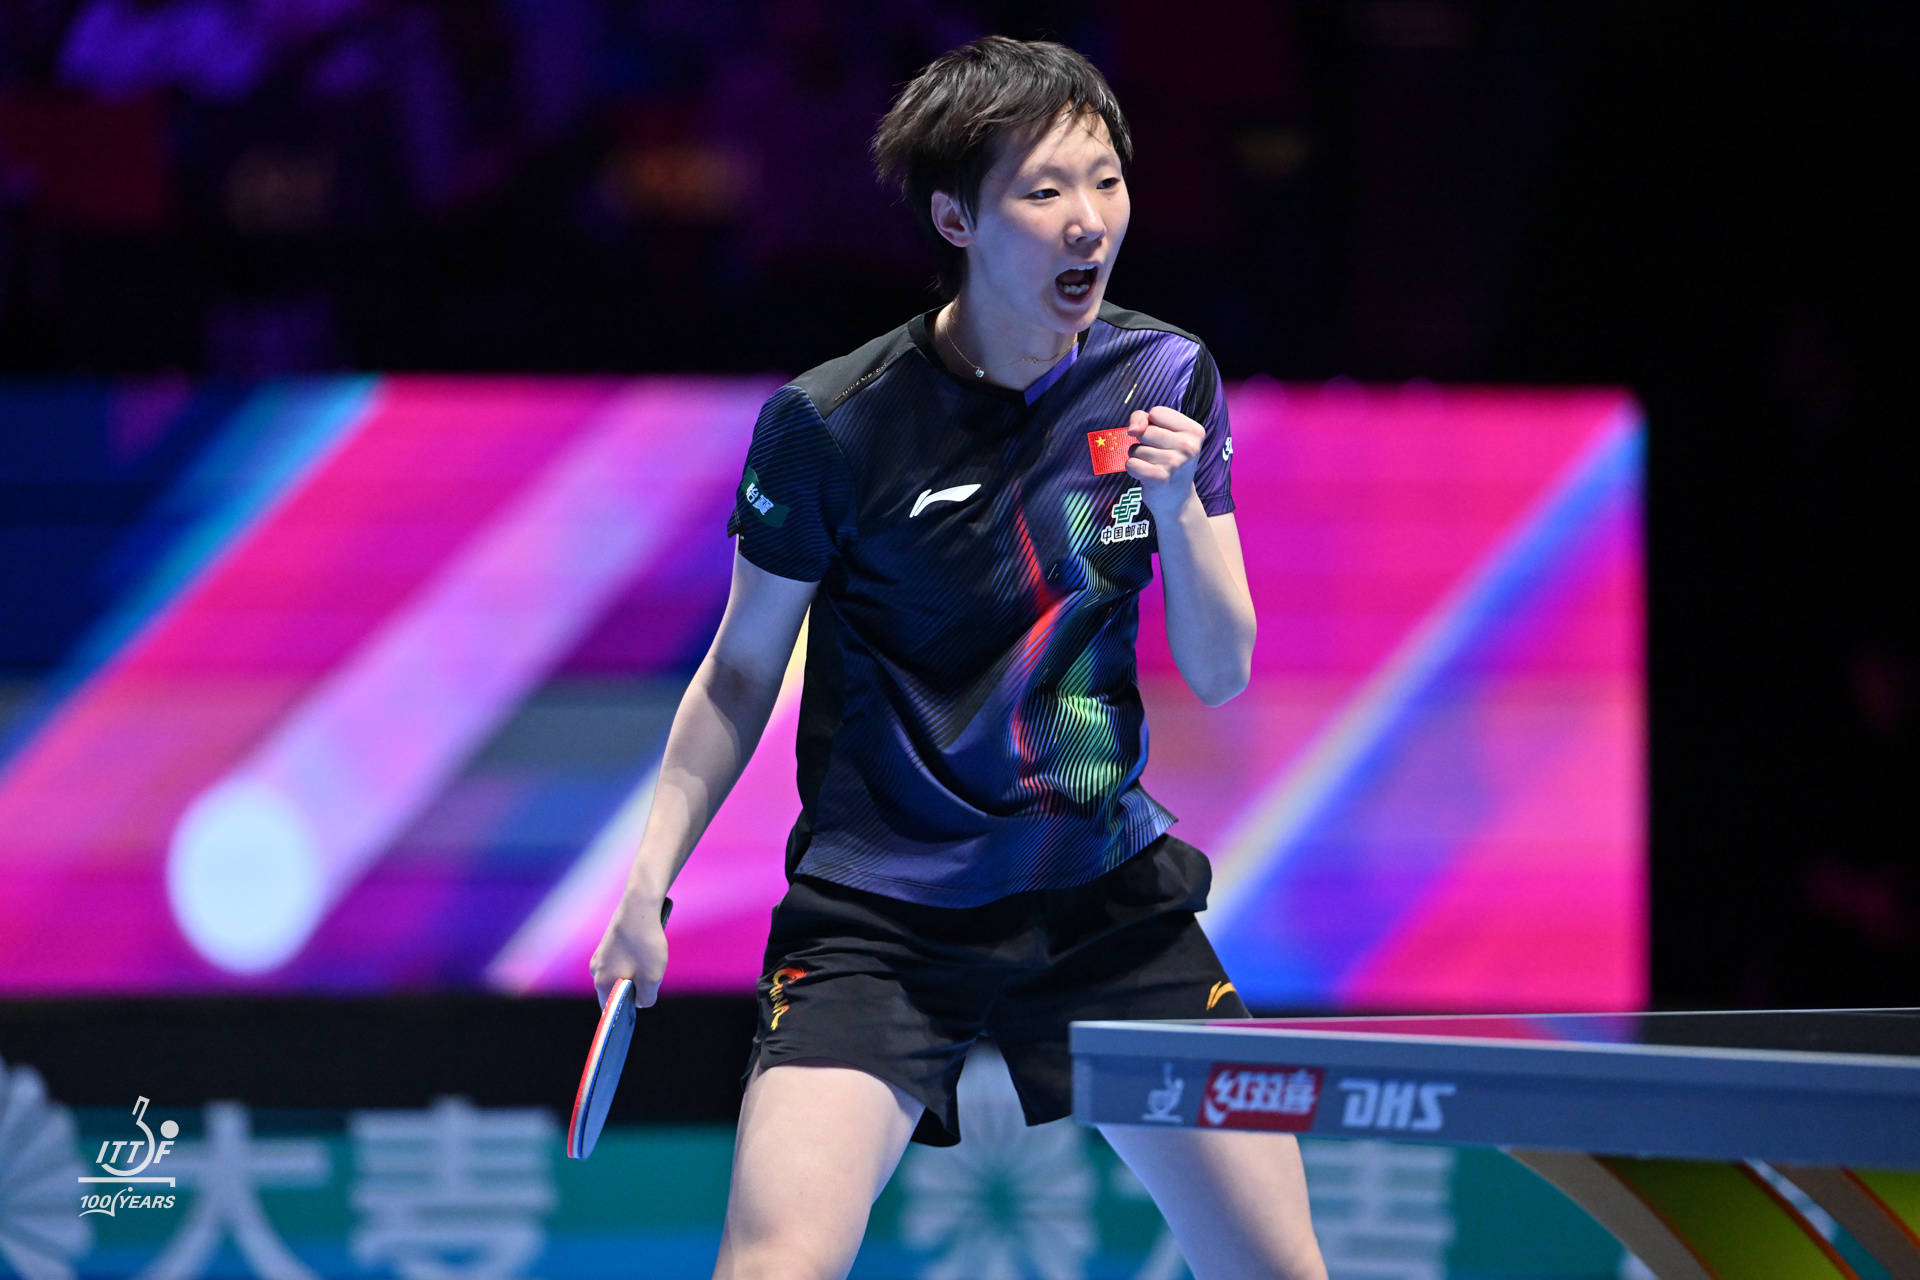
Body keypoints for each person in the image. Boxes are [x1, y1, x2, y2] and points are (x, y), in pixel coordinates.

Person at [591, 35, 1327, 1280]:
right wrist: (645, 885)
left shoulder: (1163, 378)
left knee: (1279, 1268)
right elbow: (739, 673)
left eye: (1106, 180)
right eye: (1045, 189)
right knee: (773, 1262)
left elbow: (1221, 670)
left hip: (1100, 897)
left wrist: (1182, 512)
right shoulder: (834, 424)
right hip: (884, 915)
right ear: (957, 218)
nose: (1089, 219)